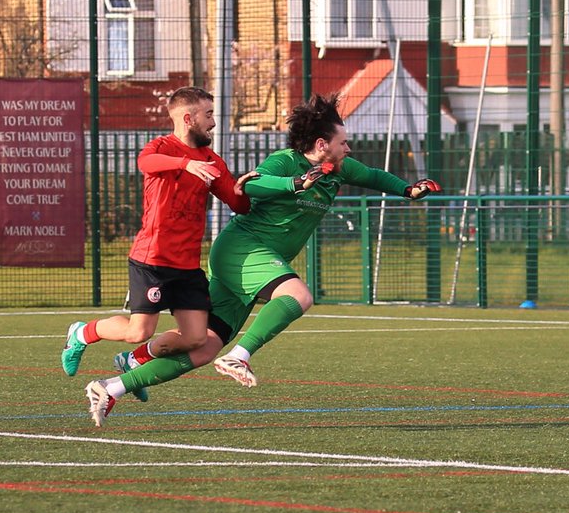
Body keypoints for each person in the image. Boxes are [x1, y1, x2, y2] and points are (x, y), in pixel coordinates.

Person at [85, 93, 441, 425]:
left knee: (203, 347)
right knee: (299, 295)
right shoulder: (285, 162)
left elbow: (374, 176)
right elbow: (252, 185)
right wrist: (296, 183)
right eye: (343, 142)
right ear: (322, 145)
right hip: (243, 249)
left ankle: (111, 387)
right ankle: (239, 356)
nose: (348, 148)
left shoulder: (341, 169)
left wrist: (408, 190)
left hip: (252, 264)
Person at [63, 87, 255, 402]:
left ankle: (133, 360)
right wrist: (184, 164)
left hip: (187, 266)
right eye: (208, 115)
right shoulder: (162, 148)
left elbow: (239, 204)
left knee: (195, 338)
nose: (213, 123)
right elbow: (145, 162)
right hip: (152, 259)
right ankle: (81, 333)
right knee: (138, 330)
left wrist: (248, 188)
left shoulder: (212, 161)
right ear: (188, 118)